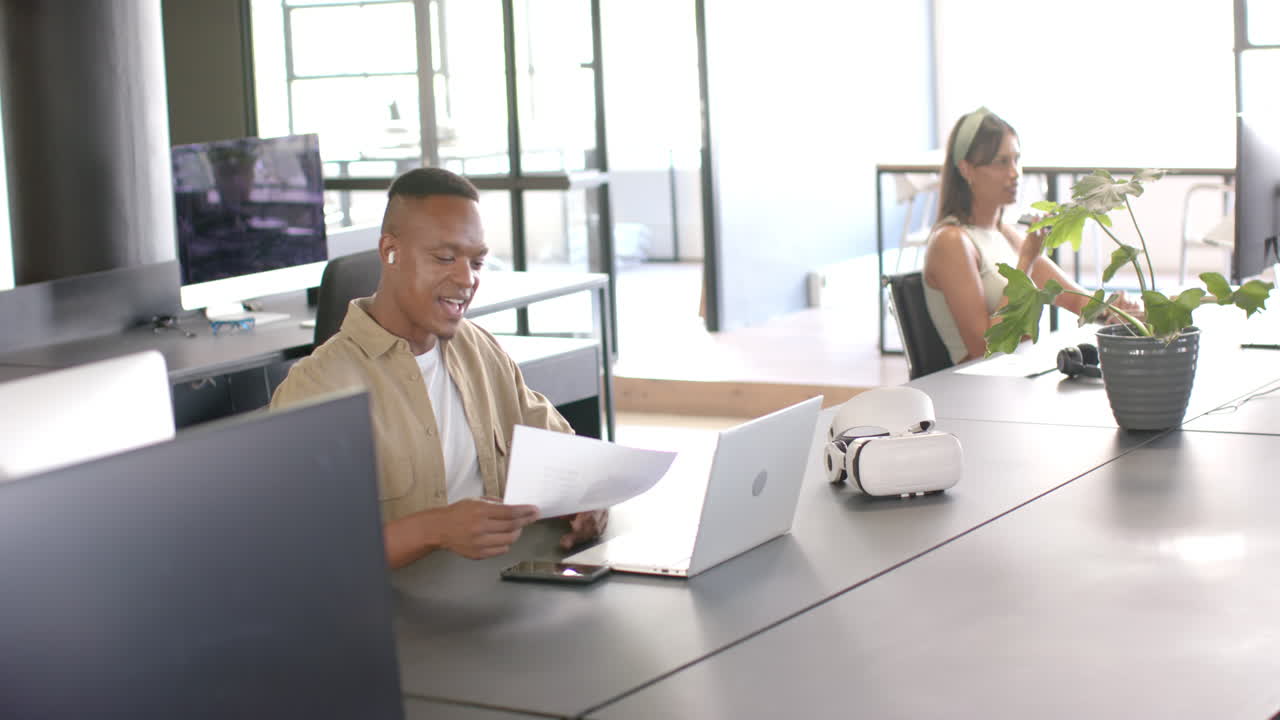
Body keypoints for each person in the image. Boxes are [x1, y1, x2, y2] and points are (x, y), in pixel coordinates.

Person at [271, 167, 607, 569]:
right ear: (390, 251)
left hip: (499, 591)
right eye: (445, 257)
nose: (467, 279)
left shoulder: (479, 349)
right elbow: (304, 557)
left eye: (477, 262)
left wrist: (585, 497)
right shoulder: (317, 388)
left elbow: (561, 455)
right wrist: (435, 530)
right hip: (398, 618)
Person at [921, 107, 1141, 364]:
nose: (1015, 173)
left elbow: (1074, 299)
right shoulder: (951, 242)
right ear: (967, 169)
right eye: (1001, 162)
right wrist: (1026, 261)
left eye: (1016, 159)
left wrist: (1115, 308)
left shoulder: (1005, 234)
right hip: (976, 388)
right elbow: (984, 347)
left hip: (1018, 374)